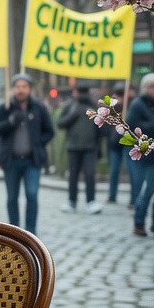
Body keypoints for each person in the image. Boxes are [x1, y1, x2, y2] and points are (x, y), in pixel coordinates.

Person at [0, 73, 55, 234]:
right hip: (11, 161)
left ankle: (30, 231)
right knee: (12, 197)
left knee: (31, 195)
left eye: (24, 87)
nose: (21, 90)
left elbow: (49, 131)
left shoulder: (38, 108)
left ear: (29, 89)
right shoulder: (5, 108)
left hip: (31, 161)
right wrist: (10, 122)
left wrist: (38, 143)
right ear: (13, 89)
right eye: (18, 87)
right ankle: (15, 230)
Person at [58, 85, 102, 214]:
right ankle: (72, 201)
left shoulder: (94, 105)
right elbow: (60, 123)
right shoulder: (70, 105)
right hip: (73, 147)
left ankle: (91, 201)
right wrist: (72, 115)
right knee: (73, 175)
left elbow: (101, 126)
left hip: (90, 147)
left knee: (89, 175)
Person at [125, 73, 154, 236]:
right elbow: (131, 127)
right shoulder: (138, 104)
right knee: (146, 189)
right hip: (144, 156)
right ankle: (139, 222)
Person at [105, 82, 130, 204]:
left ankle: (133, 198)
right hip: (114, 143)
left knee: (130, 171)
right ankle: (112, 195)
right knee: (114, 170)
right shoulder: (111, 106)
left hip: (126, 143)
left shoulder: (129, 105)